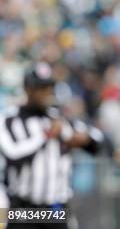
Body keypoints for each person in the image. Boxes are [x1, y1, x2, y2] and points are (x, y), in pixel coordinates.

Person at [0, 62, 105, 229]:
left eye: (48, 88)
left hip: (56, 207)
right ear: (28, 89)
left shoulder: (57, 118)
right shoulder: (9, 119)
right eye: (40, 88)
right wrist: (46, 135)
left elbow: (97, 140)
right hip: (22, 207)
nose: (45, 93)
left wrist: (81, 139)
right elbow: (13, 155)